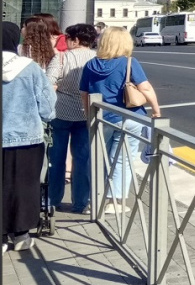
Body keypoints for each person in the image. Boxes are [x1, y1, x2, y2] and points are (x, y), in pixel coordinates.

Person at [80, 27, 161, 213]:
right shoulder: (129, 63)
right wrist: (156, 111)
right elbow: (146, 88)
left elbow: (84, 94)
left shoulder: (91, 65)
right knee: (122, 160)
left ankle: (95, 200)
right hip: (130, 118)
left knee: (98, 158)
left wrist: (88, 116)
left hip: (101, 118)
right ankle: (115, 202)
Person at [2, 22, 56, 252]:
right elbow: (47, 108)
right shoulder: (30, 68)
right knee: (25, 185)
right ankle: (21, 235)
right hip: (27, 139)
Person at [45, 24, 98, 214]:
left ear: (75, 40)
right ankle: (80, 203)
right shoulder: (97, 58)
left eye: (68, 38)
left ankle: (52, 200)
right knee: (82, 159)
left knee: (56, 158)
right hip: (86, 113)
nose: (65, 41)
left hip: (60, 112)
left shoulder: (61, 57)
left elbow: (49, 82)